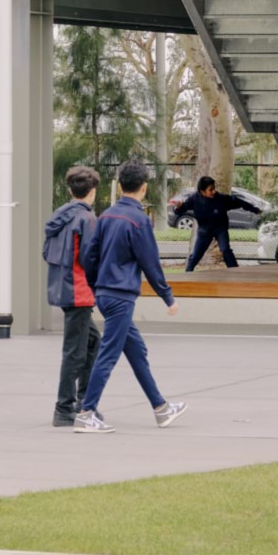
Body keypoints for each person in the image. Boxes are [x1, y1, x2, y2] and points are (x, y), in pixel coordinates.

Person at [75, 160, 186, 434]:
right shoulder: (138, 221)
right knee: (108, 355)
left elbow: (89, 256)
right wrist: (168, 298)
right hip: (121, 297)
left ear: (121, 186)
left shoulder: (106, 216)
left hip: (105, 294)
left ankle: (161, 408)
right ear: (144, 188)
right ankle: (86, 413)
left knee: (137, 351)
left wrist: (95, 285)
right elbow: (150, 263)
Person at [44, 165, 102, 427]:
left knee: (92, 342)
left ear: (70, 190)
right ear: (93, 192)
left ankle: (83, 402)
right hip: (80, 291)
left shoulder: (60, 216)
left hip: (64, 288)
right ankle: (66, 408)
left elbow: (48, 253)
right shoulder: (87, 219)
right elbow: (92, 257)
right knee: (75, 352)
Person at [169, 173, 239, 272]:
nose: (214, 191)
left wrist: (254, 208)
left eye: (214, 188)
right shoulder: (194, 198)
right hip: (204, 231)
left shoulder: (220, 198)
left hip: (220, 229)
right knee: (195, 256)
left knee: (225, 249)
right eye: (210, 190)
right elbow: (180, 210)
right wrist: (178, 207)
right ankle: (188, 273)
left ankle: (235, 272)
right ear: (202, 192)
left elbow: (239, 202)